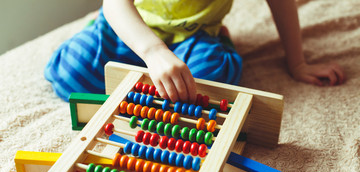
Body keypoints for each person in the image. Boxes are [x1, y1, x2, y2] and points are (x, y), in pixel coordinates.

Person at [44, 0, 345, 103]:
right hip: (131, 29)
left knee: (209, 81)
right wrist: (153, 51)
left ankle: (221, 43)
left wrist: (298, 63)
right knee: (72, 73)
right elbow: (115, 4)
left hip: (194, 35)